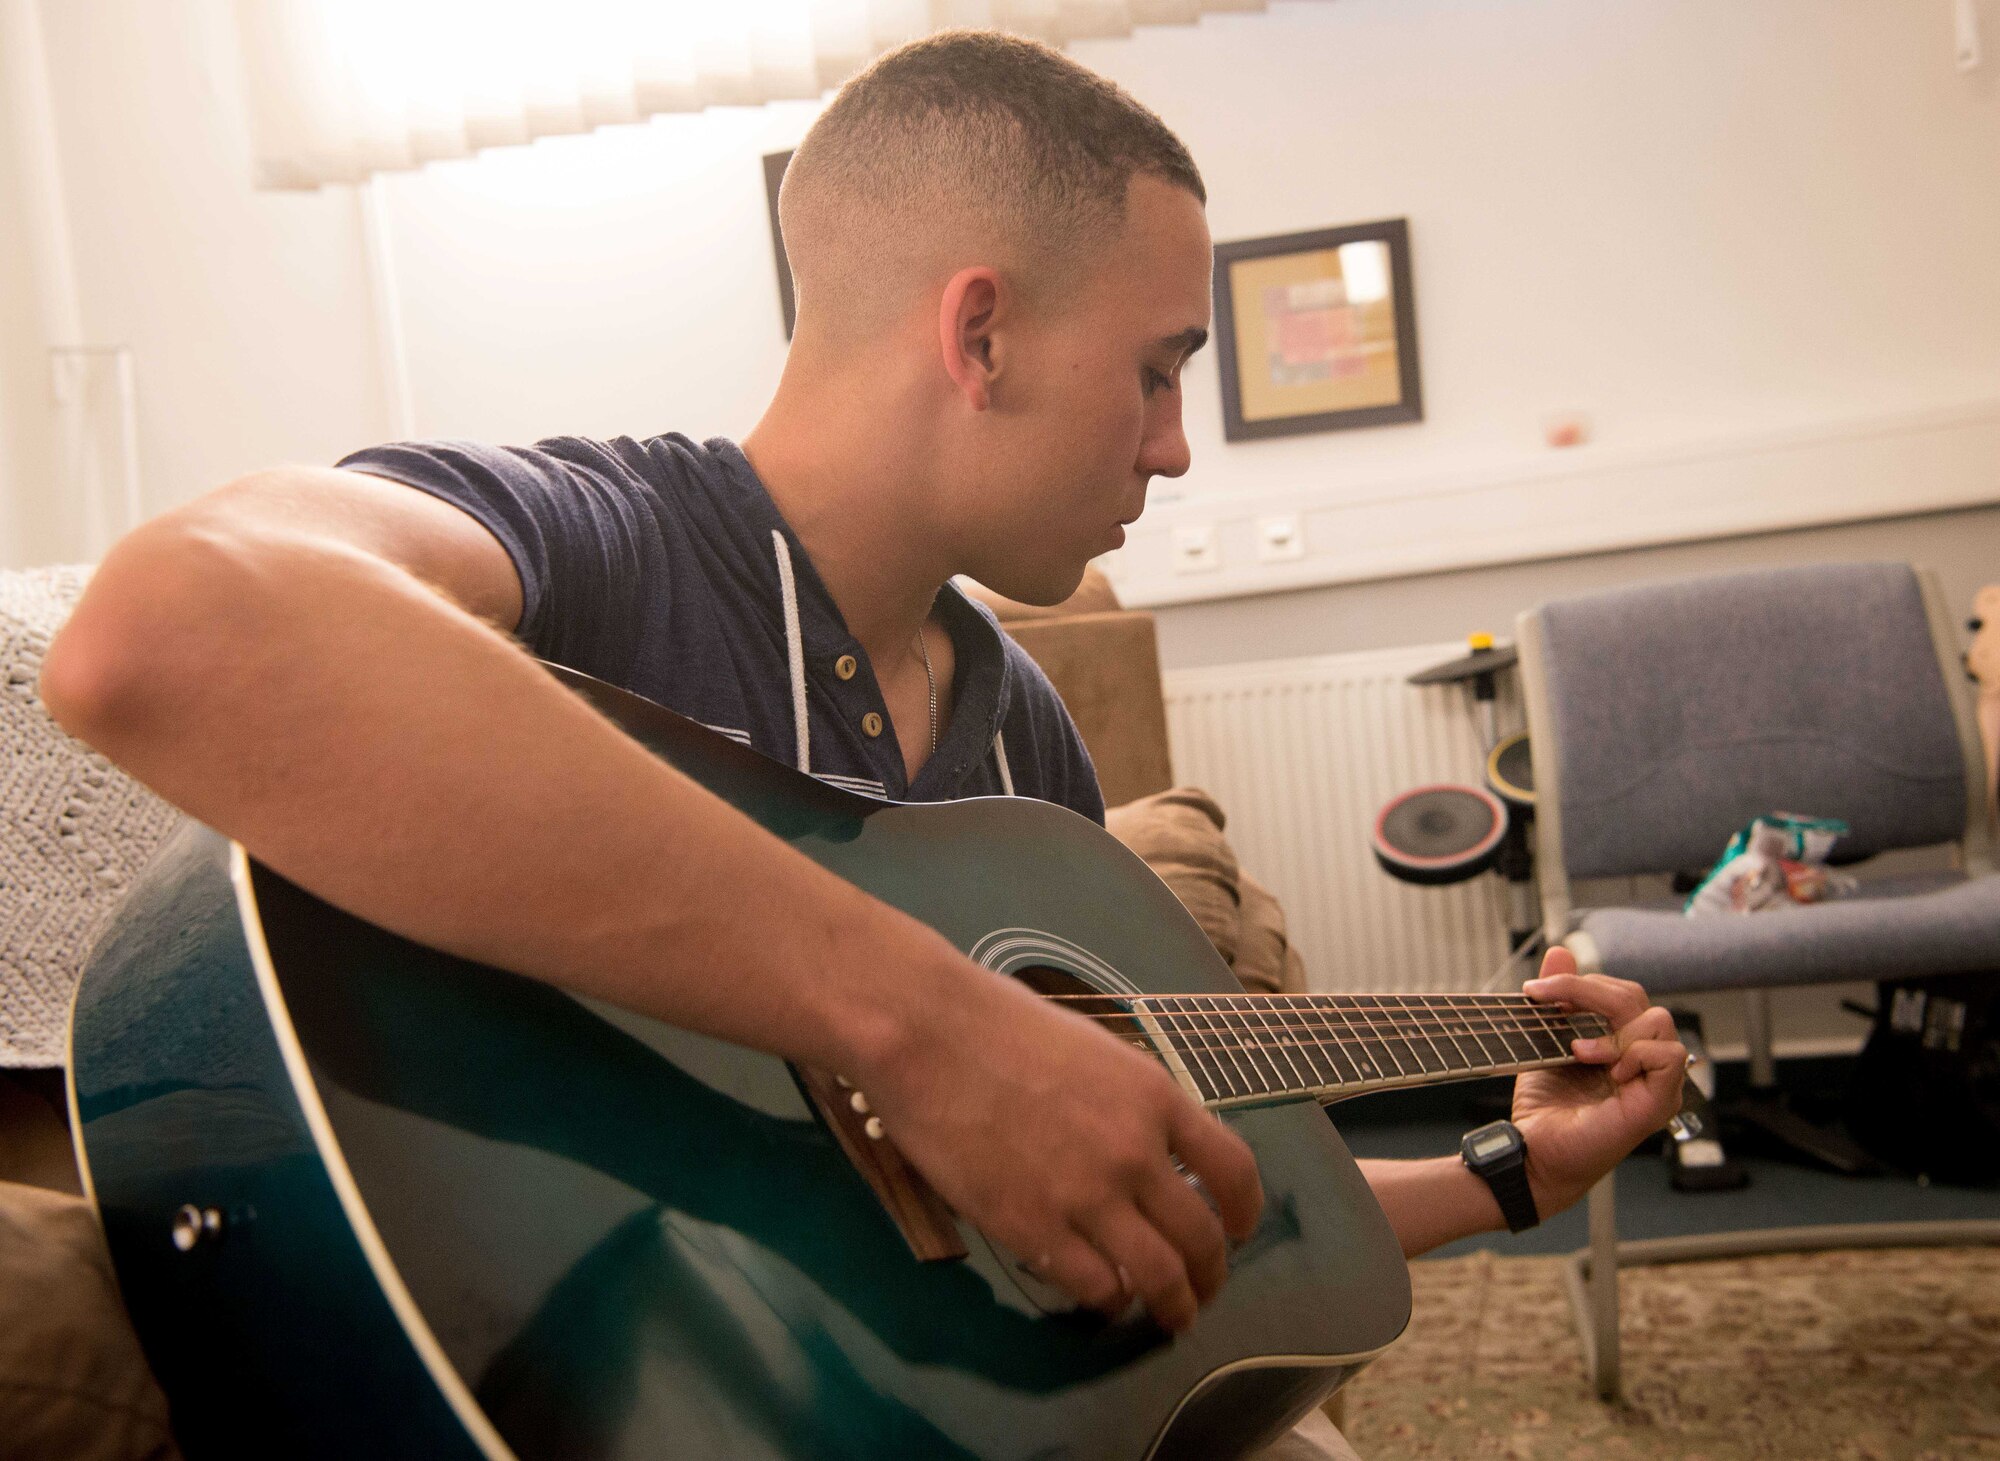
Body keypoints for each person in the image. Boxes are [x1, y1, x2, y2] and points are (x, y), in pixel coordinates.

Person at [35, 29, 1685, 1460]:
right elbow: (166, 631)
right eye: (1160, 371)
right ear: (980, 336)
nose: (1179, 449)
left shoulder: (1020, 736)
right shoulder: (603, 539)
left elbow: (1175, 1198)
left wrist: (1512, 1163)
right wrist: (924, 1026)